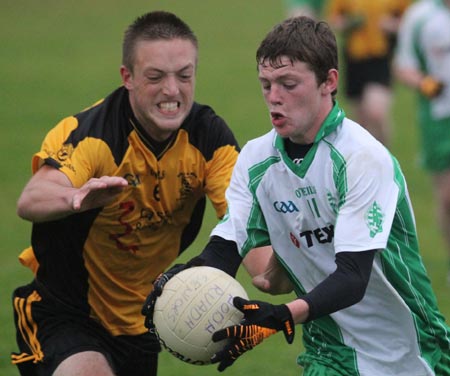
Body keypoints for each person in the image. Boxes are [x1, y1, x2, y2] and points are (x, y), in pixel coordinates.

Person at [143, 15, 450, 375]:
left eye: (288, 84)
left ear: (328, 82)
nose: (274, 98)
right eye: (266, 84)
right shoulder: (257, 162)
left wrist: (282, 316)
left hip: (408, 355)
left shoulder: (361, 158)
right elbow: (226, 248)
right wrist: (184, 280)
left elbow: (353, 277)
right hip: (328, 354)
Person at [10, 10, 240, 376]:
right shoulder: (94, 135)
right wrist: (75, 198)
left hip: (143, 321)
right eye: (155, 77)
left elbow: (247, 226)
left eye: (184, 76)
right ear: (127, 77)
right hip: (63, 310)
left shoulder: (211, 141)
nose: (172, 90)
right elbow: (30, 199)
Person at [393, 0, 450, 284]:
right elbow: (403, 66)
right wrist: (424, 83)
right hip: (440, 121)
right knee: (448, 197)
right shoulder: (420, 16)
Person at [327, 0, 411, 146]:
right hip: (355, 59)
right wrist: (349, 24)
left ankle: (385, 155)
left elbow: (410, 20)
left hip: (381, 57)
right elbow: (335, 20)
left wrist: (392, 25)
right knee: (361, 121)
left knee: (376, 112)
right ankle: (367, 160)